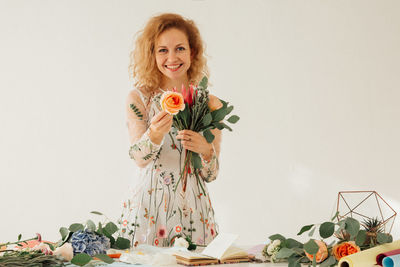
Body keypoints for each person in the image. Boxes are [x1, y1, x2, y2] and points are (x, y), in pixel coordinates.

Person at [119, 13, 222, 247]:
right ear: (152, 55)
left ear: (192, 52)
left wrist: (206, 151)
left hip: (194, 212)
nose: (172, 57)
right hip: (149, 209)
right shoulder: (139, 99)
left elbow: (211, 174)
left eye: (180, 49)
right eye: (162, 50)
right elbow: (138, 158)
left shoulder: (209, 103)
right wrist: (154, 135)